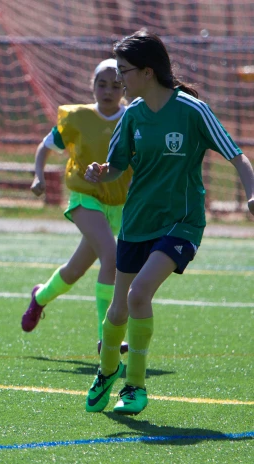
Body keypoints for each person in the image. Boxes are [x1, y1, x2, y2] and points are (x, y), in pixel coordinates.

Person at [83, 30, 254, 415]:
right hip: (136, 223)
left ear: (146, 71)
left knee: (138, 294)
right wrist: (101, 173)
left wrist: (251, 193)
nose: (119, 79)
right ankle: (107, 371)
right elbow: (118, 168)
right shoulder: (132, 117)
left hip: (182, 223)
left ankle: (135, 387)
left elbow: (237, 156)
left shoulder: (192, 110)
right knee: (117, 312)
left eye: (123, 71)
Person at [22, 59, 132, 356]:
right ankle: (106, 337)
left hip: (119, 205)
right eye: (102, 84)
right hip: (86, 199)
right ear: (92, 86)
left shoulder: (134, 118)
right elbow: (46, 146)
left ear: (125, 87)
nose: (108, 90)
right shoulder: (78, 118)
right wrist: (39, 175)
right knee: (112, 259)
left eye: (115, 84)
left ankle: (41, 296)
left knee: (73, 271)